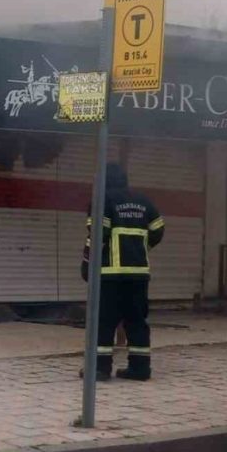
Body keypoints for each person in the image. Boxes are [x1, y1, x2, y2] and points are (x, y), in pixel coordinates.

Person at [81, 163, 164, 381]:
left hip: (110, 274)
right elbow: (158, 229)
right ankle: (140, 368)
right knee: (136, 320)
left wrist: (86, 262)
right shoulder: (143, 201)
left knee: (104, 321)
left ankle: (99, 369)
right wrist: (140, 248)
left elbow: (98, 234)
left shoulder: (102, 200)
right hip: (138, 274)